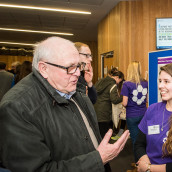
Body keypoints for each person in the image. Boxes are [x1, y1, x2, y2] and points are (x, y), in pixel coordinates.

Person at [0, 36, 129, 171]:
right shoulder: (17, 108)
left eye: (78, 65)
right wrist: (98, 159)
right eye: (70, 67)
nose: (78, 73)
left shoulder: (69, 84)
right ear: (43, 68)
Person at [121, 61, 148, 147]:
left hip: (132, 115)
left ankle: (138, 160)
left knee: (135, 141)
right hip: (144, 114)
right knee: (144, 139)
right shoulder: (145, 83)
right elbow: (146, 100)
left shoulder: (126, 84)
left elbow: (124, 103)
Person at [94, 70, 124, 138]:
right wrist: (123, 96)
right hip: (105, 113)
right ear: (117, 77)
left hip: (95, 110)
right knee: (104, 135)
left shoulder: (100, 81)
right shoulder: (113, 85)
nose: (119, 82)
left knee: (97, 135)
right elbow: (114, 100)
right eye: (120, 80)